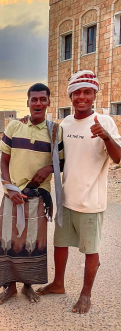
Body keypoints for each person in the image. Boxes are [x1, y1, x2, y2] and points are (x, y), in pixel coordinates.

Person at [36, 71, 121, 314]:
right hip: (66, 199)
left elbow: (117, 158)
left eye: (87, 92)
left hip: (91, 203)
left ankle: (85, 294)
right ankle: (58, 284)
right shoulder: (66, 124)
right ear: (71, 96)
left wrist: (106, 137)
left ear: (94, 95)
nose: (81, 97)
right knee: (60, 245)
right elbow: (61, 159)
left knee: (90, 250)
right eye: (77, 92)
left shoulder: (104, 122)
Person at [0, 83, 63, 304]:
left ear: (49, 102)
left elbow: (61, 163)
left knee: (33, 244)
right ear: (28, 102)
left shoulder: (55, 131)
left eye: (43, 99)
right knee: (8, 243)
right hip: (12, 195)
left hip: (37, 196)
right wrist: (8, 187)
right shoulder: (14, 127)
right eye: (34, 99)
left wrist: (48, 169)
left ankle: (28, 286)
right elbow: (4, 161)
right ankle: (10, 288)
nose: (38, 103)